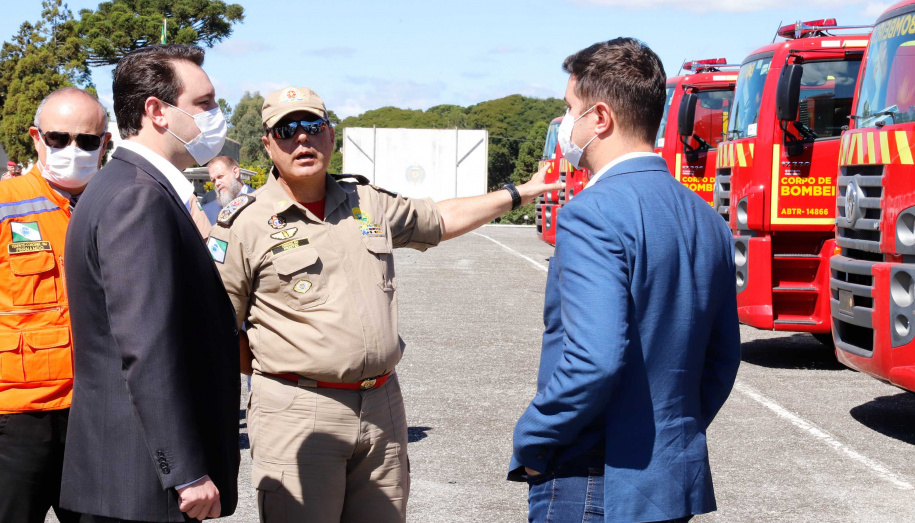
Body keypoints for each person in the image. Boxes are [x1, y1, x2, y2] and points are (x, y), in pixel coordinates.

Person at [207, 85, 561, 523]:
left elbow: (438, 218)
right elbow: (216, 329)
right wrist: (279, 371)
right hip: (298, 413)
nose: (302, 139)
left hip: (382, 407)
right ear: (267, 144)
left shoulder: (365, 202)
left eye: (312, 126)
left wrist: (519, 193)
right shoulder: (244, 222)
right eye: (286, 130)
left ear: (330, 135)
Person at [508, 38, 741, 523]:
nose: (566, 125)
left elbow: (594, 358)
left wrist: (533, 438)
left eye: (570, 110)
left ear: (600, 118)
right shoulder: (707, 218)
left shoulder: (591, 214)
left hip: (593, 476)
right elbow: (721, 360)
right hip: (669, 476)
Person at [60, 44, 240, 523]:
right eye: (204, 103)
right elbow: (146, 346)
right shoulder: (137, 198)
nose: (215, 116)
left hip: (129, 481)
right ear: (157, 111)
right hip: (143, 488)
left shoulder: (123, 185)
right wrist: (184, 471)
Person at [0, 87, 109, 523]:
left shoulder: (122, 204)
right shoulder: (5, 205)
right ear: (35, 137)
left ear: (104, 142)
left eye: (86, 141)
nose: (72, 149)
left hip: (98, 414)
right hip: (18, 419)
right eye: (59, 138)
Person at [202, 155, 254, 224]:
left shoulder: (261, 199)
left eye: (220, 176)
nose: (217, 183)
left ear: (235, 172)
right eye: (213, 180)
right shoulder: (207, 212)